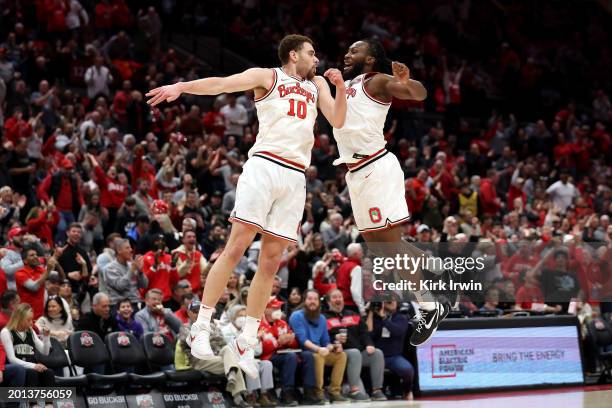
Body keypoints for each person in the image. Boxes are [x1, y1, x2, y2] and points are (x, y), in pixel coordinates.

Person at [147, 33, 347, 378]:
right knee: (236, 247)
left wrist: (340, 86)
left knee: (270, 262)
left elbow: (339, 120)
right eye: (311, 53)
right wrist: (182, 86)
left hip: (295, 176)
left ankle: (246, 341)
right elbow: (222, 83)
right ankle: (201, 325)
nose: (317, 59)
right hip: (265, 166)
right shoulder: (267, 76)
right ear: (293, 55)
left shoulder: (316, 85)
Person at [334, 38, 449, 346]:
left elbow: (419, 94)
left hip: (375, 168)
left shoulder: (379, 81)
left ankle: (430, 305)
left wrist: (407, 82)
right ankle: (425, 260)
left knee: (390, 247)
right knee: (378, 246)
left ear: (370, 60)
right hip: (356, 174)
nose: (348, 53)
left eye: (355, 50)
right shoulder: (353, 82)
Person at [175, 299, 250, 407]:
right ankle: (237, 394)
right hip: (198, 360)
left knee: (228, 350)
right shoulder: (185, 327)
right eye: (195, 312)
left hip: (216, 357)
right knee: (234, 363)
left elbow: (222, 343)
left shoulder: (213, 326)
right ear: (189, 313)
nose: (199, 315)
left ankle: (233, 377)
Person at [325, 289, 386, 401]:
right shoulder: (324, 317)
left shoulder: (353, 315)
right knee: (354, 352)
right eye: (334, 297)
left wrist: (369, 344)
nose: (338, 299)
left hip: (358, 354)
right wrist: (334, 338)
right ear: (328, 302)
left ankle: (377, 391)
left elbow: (364, 333)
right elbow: (322, 337)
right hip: (339, 353)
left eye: (340, 297)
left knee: (377, 353)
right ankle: (354, 391)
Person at [289, 289, 348, 403]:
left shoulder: (321, 318)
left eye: (315, 299)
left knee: (341, 355)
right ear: (304, 301)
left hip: (319, 350)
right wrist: (319, 349)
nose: (313, 302)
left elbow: (325, 340)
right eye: (310, 299)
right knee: (317, 356)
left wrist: (333, 346)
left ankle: (334, 391)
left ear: (319, 302)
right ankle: (318, 392)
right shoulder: (296, 316)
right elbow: (302, 339)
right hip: (302, 351)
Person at [221, 304, 276, 407]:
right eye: (239, 316)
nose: (243, 318)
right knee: (251, 364)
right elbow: (233, 350)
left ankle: (264, 394)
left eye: (245, 316)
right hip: (234, 361)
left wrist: (257, 340)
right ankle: (251, 395)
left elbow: (258, 352)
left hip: (250, 358)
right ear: (232, 317)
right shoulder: (225, 331)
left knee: (267, 364)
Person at [368, 298, 414, 400]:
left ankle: (407, 390)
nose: (392, 301)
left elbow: (397, 331)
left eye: (394, 300)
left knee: (407, 369)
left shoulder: (401, 318)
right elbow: (369, 335)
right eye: (389, 300)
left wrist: (384, 319)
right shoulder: (375, 319)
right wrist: (371, 313)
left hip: (393, 357)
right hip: (376, 357)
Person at [259, 297, 300, 406]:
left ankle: (287, 392)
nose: (278, 310)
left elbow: (295, 342)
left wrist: (290, 340)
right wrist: (278, 342)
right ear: (265, 309)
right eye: (274, 308)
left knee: (293, 356)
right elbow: (261, 348)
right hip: (266, 356)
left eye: (278, 308)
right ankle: (281, 392)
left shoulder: (282, 323)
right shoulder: (259, 324)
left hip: (283, 354)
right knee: (290, 357)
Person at [0, 304, 54, 386]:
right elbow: (11, 359)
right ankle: (31, 399)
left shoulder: (30, 331)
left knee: (48, 373)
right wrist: (33, 366)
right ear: (19, 319)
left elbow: (45, 352)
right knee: (31, 373)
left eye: (32, 320)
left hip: (32, 365)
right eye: (28, 320)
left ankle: (49, 399)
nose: (31, 323)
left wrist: (46, 337)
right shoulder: (6, 332)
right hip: (18, 367)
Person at [15, 249, 59, 320]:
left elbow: (61, 276)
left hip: (41, 313)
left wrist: (56, 261)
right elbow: (34, 287)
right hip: (26, 314)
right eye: (32, 255)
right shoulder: (20, 273)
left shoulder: (40, 269)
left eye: (36, 255)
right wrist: (48, 271)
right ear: (25, 261)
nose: (36, 256)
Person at [104, 239, 148, 308]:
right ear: (119, 250)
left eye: (130, 247)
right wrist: (132, 270)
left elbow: (145, 285)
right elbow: (120, 286)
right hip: (119, 306)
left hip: (135, 303)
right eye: (127, 248)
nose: (131, 250)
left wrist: (140, 271)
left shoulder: (132, 265)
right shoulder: (110, 268)